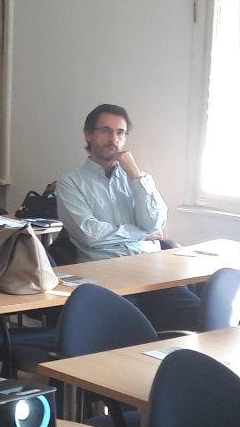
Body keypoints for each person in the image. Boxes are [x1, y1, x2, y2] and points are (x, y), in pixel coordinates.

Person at [55, 104, 198, 331]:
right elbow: (90, 234)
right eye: (106, 131)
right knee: (131, 331)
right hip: (107, 279)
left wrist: (134, 174)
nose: (113, 139)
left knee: (205, 319)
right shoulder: (70, 183)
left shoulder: (139, 178)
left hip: (152, 275)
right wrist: (142, 234)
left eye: (120, 132)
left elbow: (155, 223)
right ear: (88, 134)